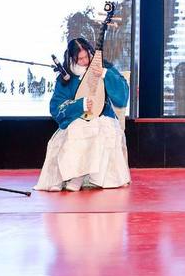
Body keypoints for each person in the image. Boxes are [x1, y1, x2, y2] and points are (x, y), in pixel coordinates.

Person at [35, 37, 131, 191]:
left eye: (87, 56)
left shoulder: (103, 66)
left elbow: (122, 96)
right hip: (77, 118)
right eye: (80, 59)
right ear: (71, 58)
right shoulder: (66, 77)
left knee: (99, 128)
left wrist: (105, 74)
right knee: (77, 129)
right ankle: (75, 175)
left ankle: (88, 178)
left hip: (102, 116)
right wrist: (80, 105)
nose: (85, 61)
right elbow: (56, 108)